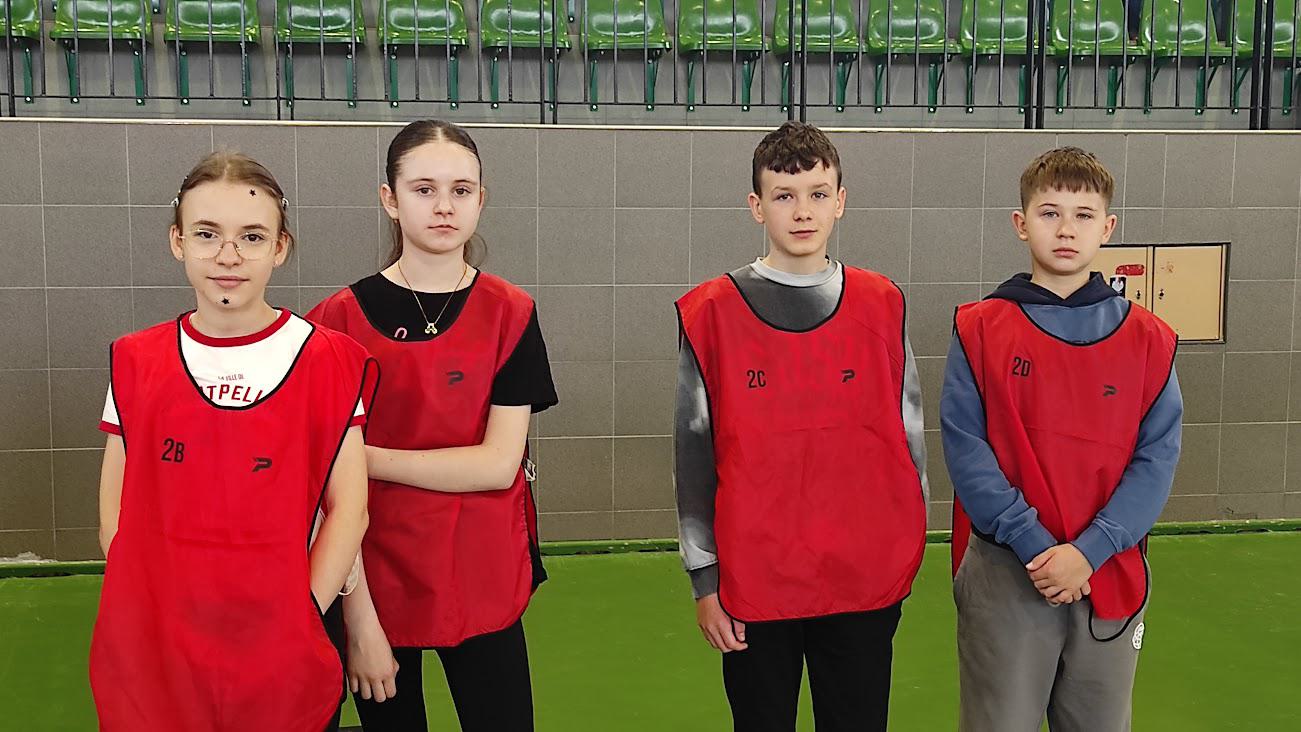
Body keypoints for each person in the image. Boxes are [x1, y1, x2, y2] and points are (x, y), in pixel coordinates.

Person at [90, 151, 376, 732]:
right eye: (206, 234)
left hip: (280, 641)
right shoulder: (137, 360)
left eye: (251, 236)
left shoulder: (329, 360)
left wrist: (303, 610)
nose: (228, 255)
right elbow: (115, 513)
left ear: (280, 248)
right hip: (161, 646)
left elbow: (350, 508)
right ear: (177, 241)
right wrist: (151, 616)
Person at [673, 121, 928, 732]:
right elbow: (692, 457)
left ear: (840, 201)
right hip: (756, 580)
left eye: (818, 194)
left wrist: (905, 548)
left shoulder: (883, 302)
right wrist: (705, 580)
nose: (803, 211)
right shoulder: (710, 312)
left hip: (861, 578)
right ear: (756, 206)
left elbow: (910, 435)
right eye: (784, 196)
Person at [309, 120, 558, 732]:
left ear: (481, 199)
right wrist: (359, 620)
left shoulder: (512, 314)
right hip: (374, 584)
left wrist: (364, 459)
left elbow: (497, 464)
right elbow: (325, 496)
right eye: (424, 189)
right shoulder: (335, 324)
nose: (444, 206)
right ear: (390, 199)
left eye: (461, 190)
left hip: (483, 578)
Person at [941, 146, 1182, 732]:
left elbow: (1156, 461)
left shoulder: (1150, 340)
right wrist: (1033, 544)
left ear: (1108, 227)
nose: (1067, 229)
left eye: (1083, 215)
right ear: (1021, 223)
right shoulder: (978, 328)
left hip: (1108, 569)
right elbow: (967, 451)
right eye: (1050, 213)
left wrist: (1090, 551)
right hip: (1006, 569)